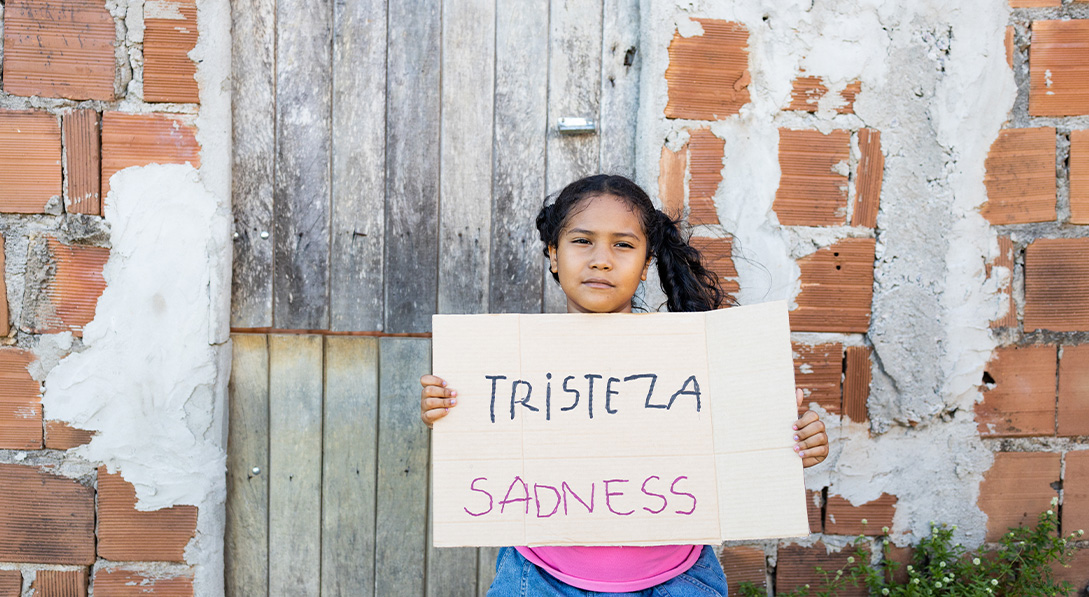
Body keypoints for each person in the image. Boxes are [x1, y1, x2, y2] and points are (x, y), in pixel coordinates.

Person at [420, 174, 829, 596]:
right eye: (582, 241)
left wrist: (794, 441)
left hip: (676, 579)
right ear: (554, 254)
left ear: (647, 261)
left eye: (623, 244)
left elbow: (743, 445)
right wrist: (449, 411)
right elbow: (485, 447)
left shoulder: (695, 360)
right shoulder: (512, 366)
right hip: (542, 579)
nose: (601, 259)